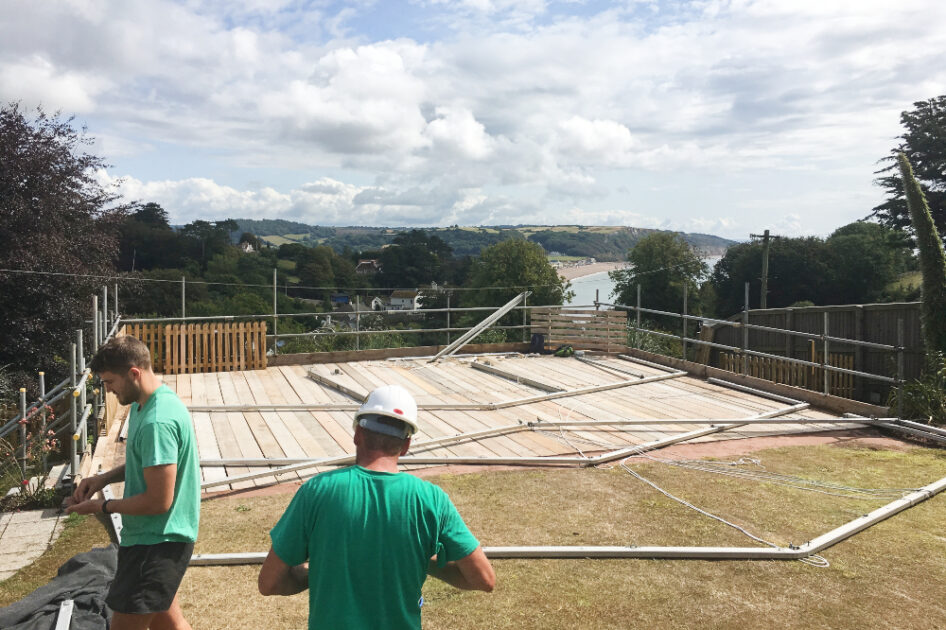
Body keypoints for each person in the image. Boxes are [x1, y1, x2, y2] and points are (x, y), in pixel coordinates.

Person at [258, 384, 495, 630]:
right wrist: (424, 562)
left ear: (357, 434)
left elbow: (269, 583)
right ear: (406, 445)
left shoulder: (316, 491)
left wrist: (318, 571)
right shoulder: (432, 499)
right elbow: (483, 579)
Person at [67, 336, 200, 630]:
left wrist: (101, 506)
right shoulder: (147, 405)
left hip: (156, 543)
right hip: (156, 539)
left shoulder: (157, 421)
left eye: (110, 382)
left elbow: (158, 501)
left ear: (134, 373)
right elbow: (148, 464)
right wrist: (103, 478)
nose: (108, 390)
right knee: (170, 623)